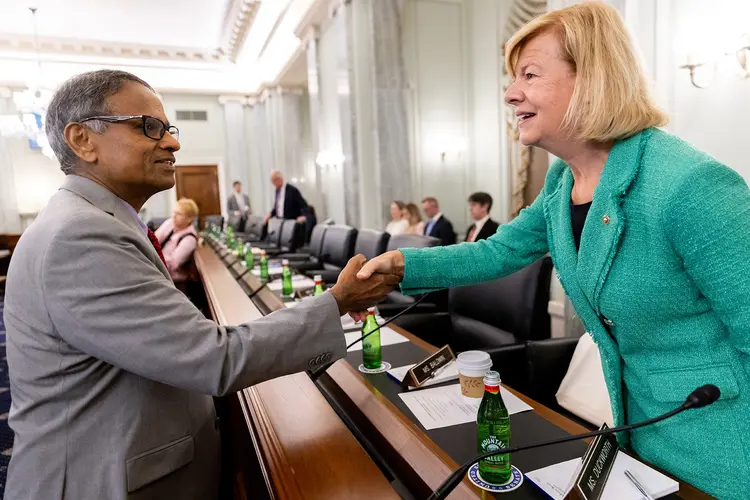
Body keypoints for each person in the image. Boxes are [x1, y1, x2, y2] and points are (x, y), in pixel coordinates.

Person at [356, 4, 750, 499]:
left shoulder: (691, 185)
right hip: (637, 432)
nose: (509, 92)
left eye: (530, 74)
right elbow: (497, 253)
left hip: (723, 445)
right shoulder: (563, 182)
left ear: (592, 79)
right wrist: (399, 265)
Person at [2, 69, 397, 500]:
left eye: (168, 128)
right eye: (148, 127)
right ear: (82, 140)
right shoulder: (78, 236)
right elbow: (213, 357)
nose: (172, 143)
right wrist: (336, 301)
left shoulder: (95, 223)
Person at [155, 198, 199, 286]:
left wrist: (150, 261)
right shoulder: (170, 223)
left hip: (172, 282)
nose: (174, 216)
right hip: (157, 271)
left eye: (179, 214)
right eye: (174, 212)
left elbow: (172, 264)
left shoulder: (189, 239)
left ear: (189, 219)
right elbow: (153, 241)